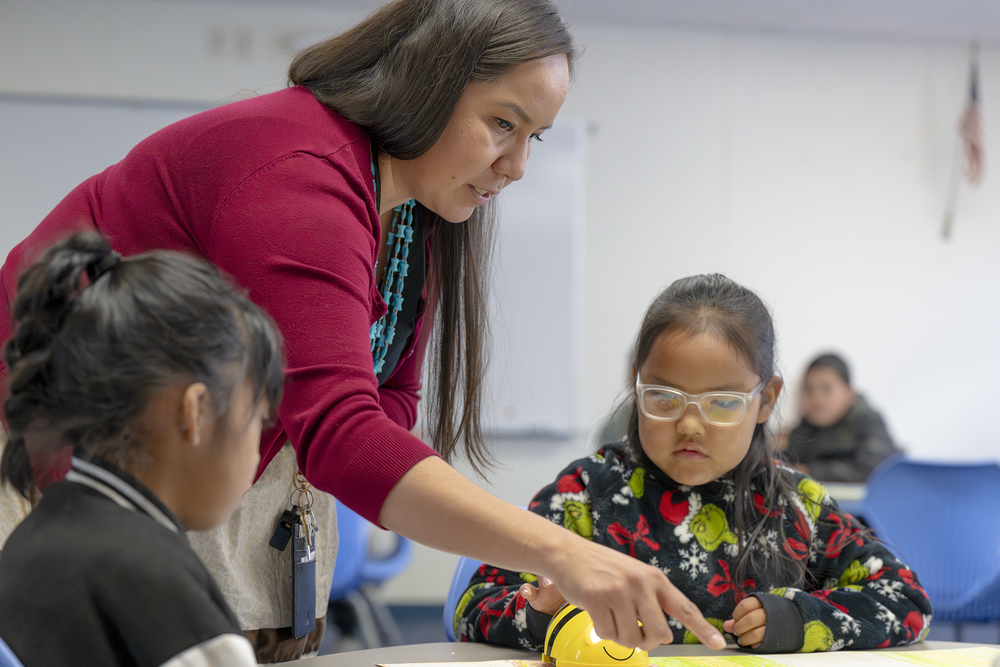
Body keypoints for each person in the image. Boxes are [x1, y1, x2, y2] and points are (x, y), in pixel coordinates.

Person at [0, 0, 723, 659]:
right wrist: (560, 550)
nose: (518, 166)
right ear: (427, 83)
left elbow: (385, 406)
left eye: (535, 136)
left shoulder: (411, 213)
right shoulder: (302, 173)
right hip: (59, 453)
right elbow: (343, 431)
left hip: (198, 474)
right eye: (503, 124)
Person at [455, 275, 932, 653]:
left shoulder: (796, 505)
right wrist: (542, 615)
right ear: (637, 386)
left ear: (766, 400)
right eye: (664, 396)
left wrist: (798, 620)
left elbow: (907, 600)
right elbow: (475, 605)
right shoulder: (586, 494)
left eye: (722, 402)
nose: (689, 425)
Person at [0, 233, 285, 666]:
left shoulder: (27, 541)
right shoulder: (165, 591)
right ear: (196, 412)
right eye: (258, 422)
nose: (256, 455)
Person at [783, 354, 898, 483]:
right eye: (809, 390)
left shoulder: (868, 421)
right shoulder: (804, 428)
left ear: (849, 392)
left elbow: (872, 470)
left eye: (826, 388)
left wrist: (810, 472)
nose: (816, 399)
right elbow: (787, 463)